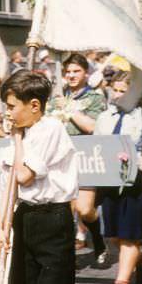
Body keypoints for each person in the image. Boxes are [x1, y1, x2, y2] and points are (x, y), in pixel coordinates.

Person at [0, 70, 78, 284]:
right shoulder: (22, 134)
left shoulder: (50, 129)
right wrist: (0, 226)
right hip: (25, 219)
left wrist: (17, 140)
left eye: (11, 106)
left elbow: (24, 176)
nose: (7, 113)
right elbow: (7, 186)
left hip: (53, 223)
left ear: (34, 105)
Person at [94, 71, 142, 284]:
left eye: (124, 91)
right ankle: (139, 259)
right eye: (115, 90)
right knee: (115, 236)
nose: (118, 95)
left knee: (130, 235)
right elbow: (96, 145)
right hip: (109, 181)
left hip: (134, 181)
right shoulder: (104, 117)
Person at [57, 53, 107, 261]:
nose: (71, 75)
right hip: (61, 160)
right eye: (68, 71)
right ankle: (66, 257)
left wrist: (69, 109)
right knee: (64, 212)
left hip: (86, 158)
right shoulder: (56, 97)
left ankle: (98, 238)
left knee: (85, 210)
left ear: (86, 73)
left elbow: (93, 126)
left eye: (76, 71)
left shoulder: (95, 98)